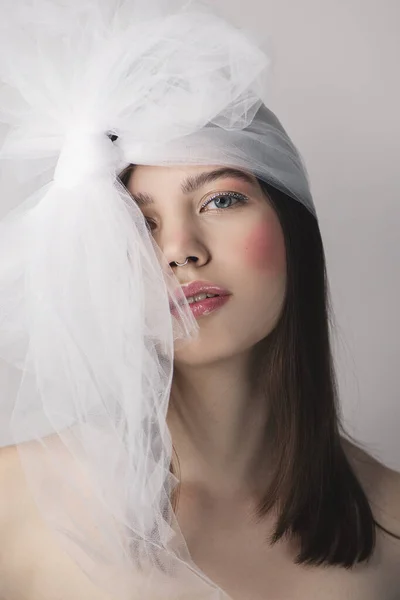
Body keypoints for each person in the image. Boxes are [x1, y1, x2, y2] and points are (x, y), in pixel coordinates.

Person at [0, 1, 399, 599]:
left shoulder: (391, 521)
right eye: (139, 221)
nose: (179, 251)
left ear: (293, 226)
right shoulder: (13, 507)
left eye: (220, 200)